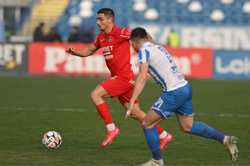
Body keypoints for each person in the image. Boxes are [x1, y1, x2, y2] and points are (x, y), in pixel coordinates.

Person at [127, 27, 239, 166]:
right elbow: (148, 41)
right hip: (185, 87)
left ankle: (157, 161)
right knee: (188, 126)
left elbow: (142, 76)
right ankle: (225, 139)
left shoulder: (144, 51)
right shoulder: (157, 47)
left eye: (131, 43)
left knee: (147, 123)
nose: (131, 46)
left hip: (173, 92)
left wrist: (132, 99)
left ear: (134, 42)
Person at [66, 8, 172, 148]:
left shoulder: (121, 32)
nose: (98, 22)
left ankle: (112, 129)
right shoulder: (101, 37)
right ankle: (164, 135)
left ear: (110, 19)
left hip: (123, 78)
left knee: (95, 94)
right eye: (97, 19)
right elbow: (90, 50)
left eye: (101, 19)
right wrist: (77, 53)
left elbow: (142, 36)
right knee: (135, 113)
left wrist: (153, 48)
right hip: (120, 78)